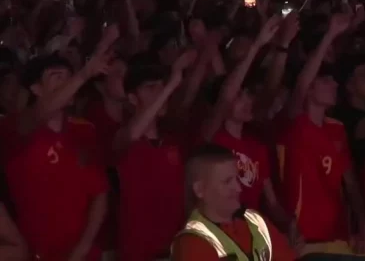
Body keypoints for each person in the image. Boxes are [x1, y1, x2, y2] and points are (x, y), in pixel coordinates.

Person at [6, 27, 116, 261]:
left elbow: (99, 194)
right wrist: (83, 74)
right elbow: (38, 114)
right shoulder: (17, 127)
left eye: (69, 77)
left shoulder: (84, 129)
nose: (68, 84)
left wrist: (82, 250)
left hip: (85, 254)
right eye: (57, 77)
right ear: (35, 89)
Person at [200, 17, 303, 250]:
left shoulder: (256, 146)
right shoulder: (212, 139)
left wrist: (290, 224)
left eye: (247, 96)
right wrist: (257, 46)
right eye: (240, 97)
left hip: (250, 242)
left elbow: (272, 203)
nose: (246, 102)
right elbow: (226, 95)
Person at [278, 14, 365, 251]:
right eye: (326, 82)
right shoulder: (295, 125)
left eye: (334, 81)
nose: (335, 85)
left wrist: (363, 224)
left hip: (339, 235)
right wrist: (329, 35)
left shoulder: (337, 128)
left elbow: (350, 183)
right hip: (302, 236)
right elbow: (300, 86)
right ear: (310, 89)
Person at [113, 50, 196, 261]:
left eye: (161, 86)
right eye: (151, 88)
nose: (160, 93)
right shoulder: (122, 137)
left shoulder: (172, 141)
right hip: (138, 253)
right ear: (132, 98)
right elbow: (132, 134)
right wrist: (170, 84)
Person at [171, 144, 297, 261]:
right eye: (227, 181)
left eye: (237, 179)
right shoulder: (192, 242)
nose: (238, 188)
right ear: (200, 190)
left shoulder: (256, 222)